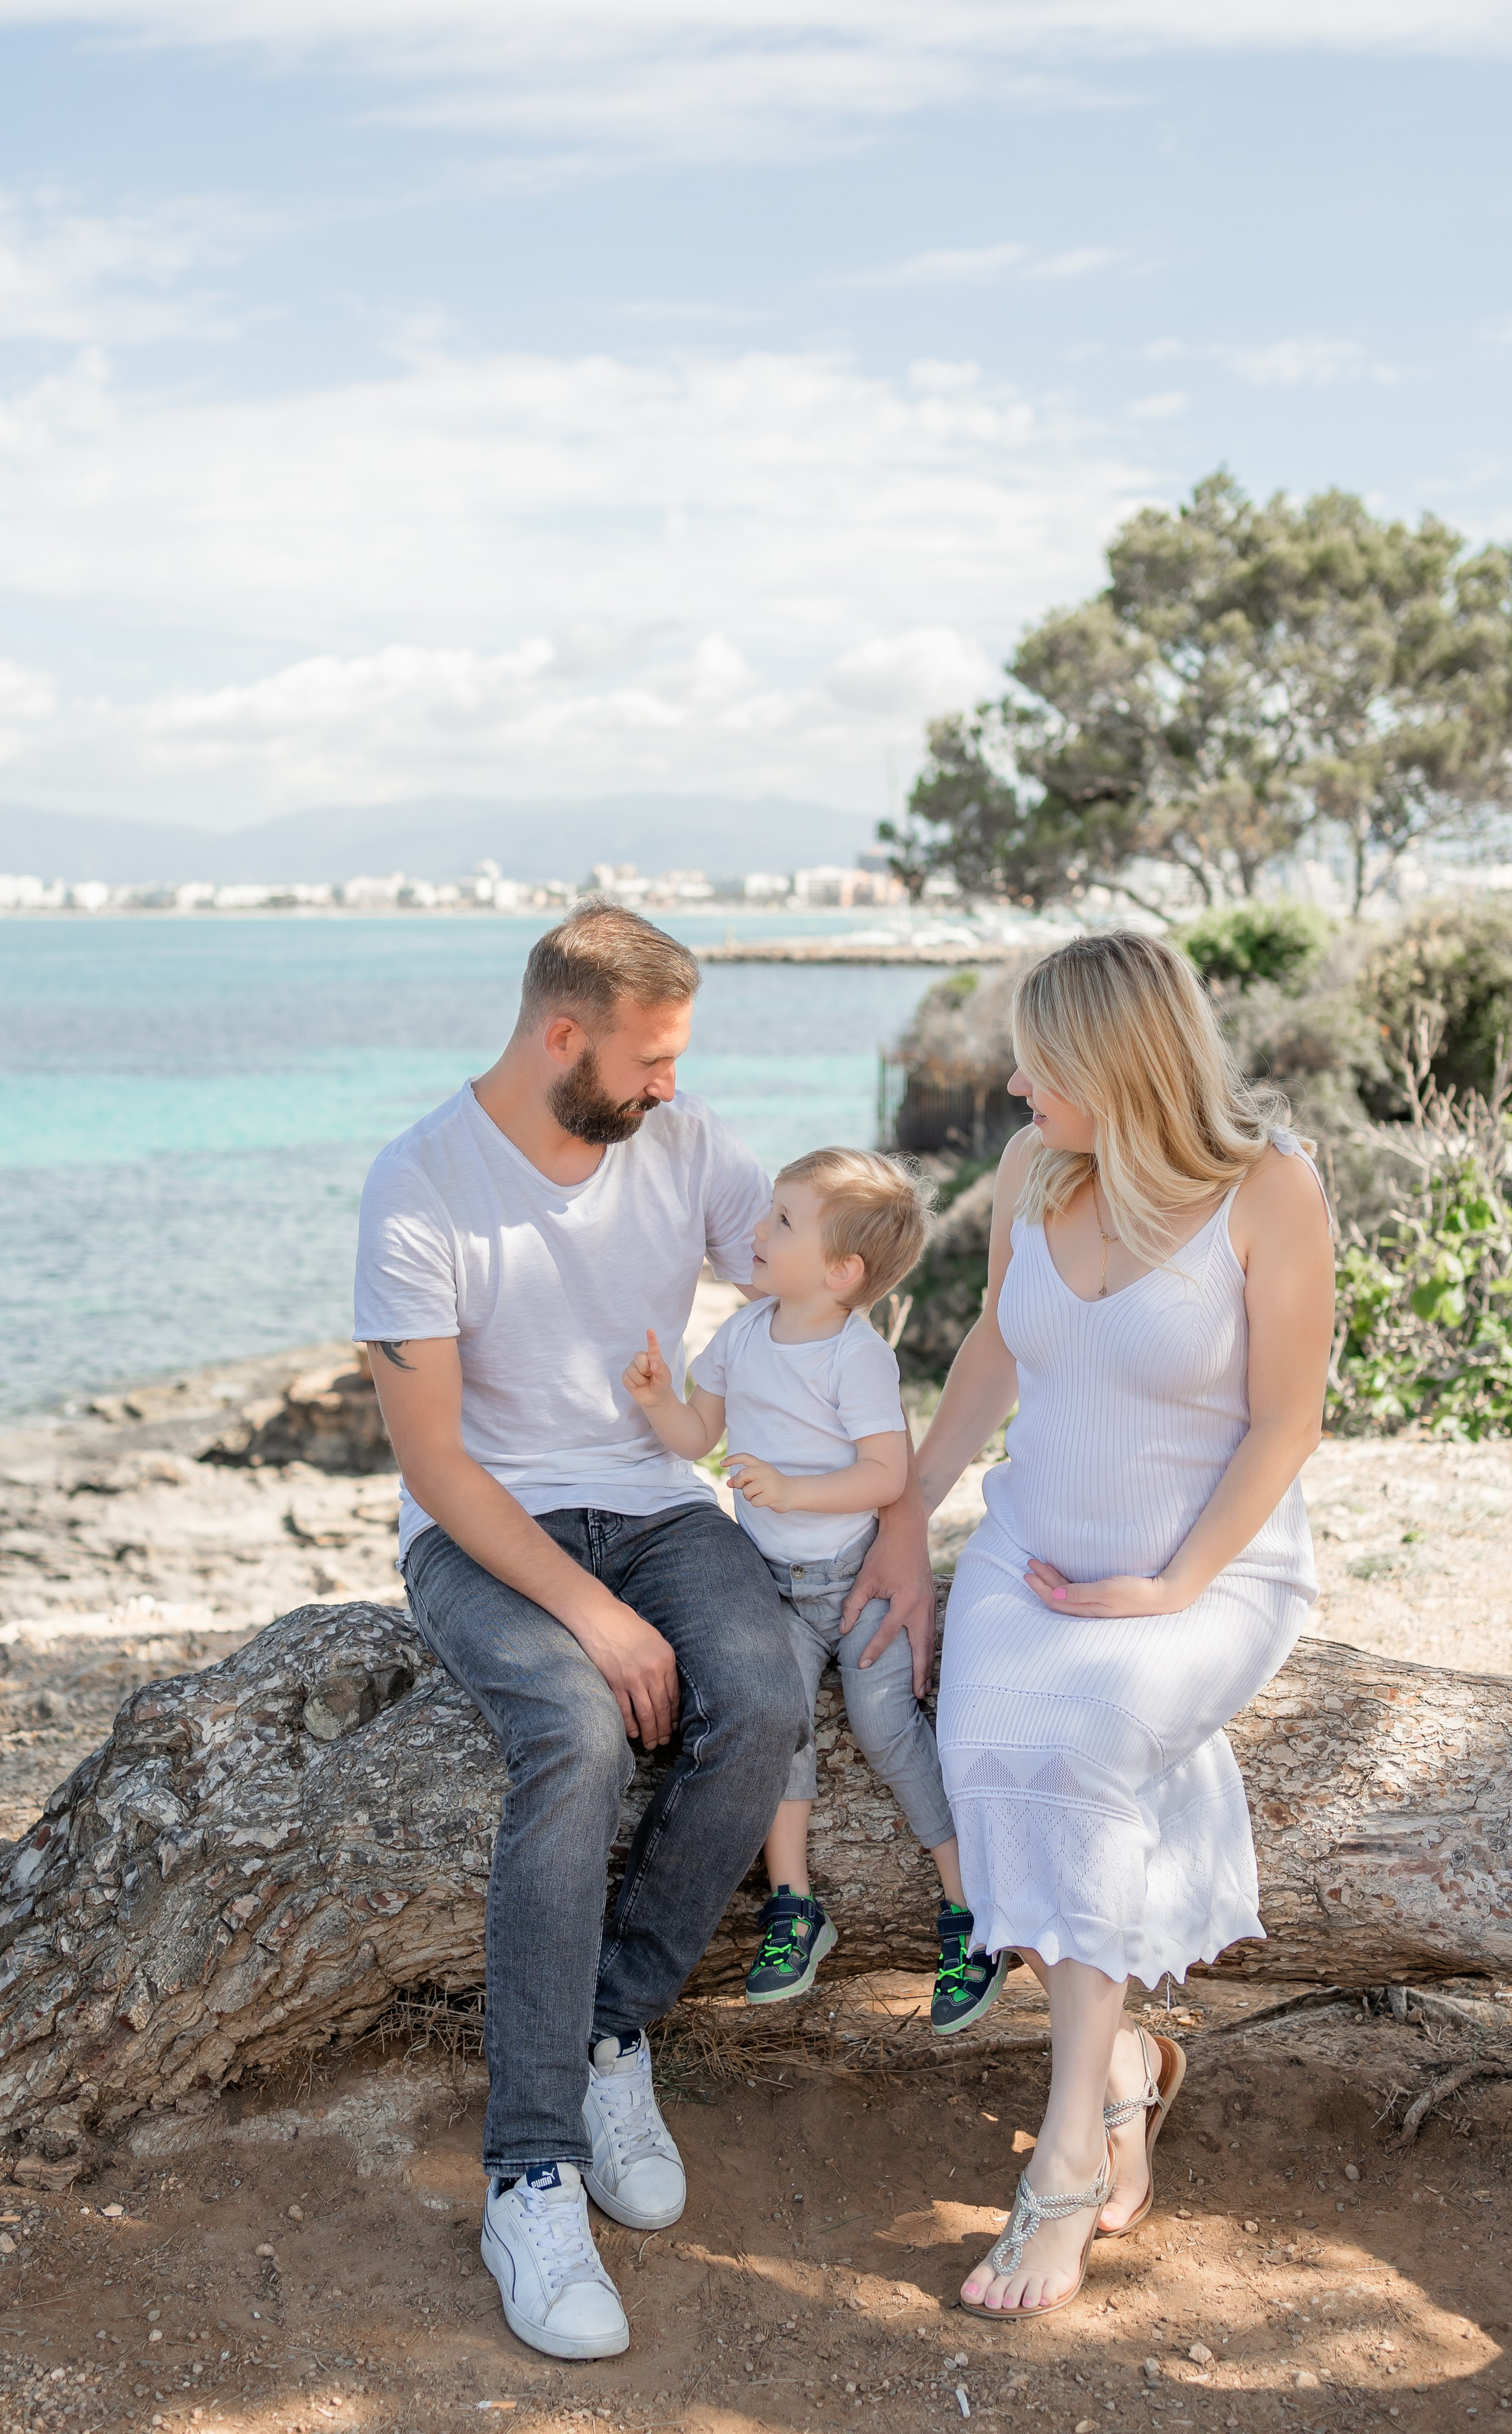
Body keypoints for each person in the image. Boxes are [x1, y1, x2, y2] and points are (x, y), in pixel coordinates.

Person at [356, 902, 824, 2363]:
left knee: (755, 1693)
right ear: (563, 1037)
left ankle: (614, 2026)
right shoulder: (419, 1185)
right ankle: (529, 2170)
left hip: (652, 1498)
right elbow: (436, 1466)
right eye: (650, 1059)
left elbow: (812, 1272)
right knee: (570, 1730)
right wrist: (597, 1618)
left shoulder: (677, 1145)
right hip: (483, 1531)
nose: (671, 1088)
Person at [911, 931, 1334, 2320]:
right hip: (1033, 1553)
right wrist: (904, 1520)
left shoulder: (1265, 1192)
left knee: (1086, 1747)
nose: (1016, 1083)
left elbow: (1286, 1422)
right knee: (980, 1754)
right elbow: (990, 1348)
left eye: (1040, 1061)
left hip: (1205, 1569)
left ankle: (1065, 2174)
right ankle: (1126, 2068)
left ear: (1116, 1063)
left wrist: (1170, 1588)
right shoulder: (1037, 1170)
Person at [623, 1147, 1008, 2036]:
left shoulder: (856, 1359)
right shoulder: (741, 1337)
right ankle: (795, 1908)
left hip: (855, 1576)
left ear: (842, 1272)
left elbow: (885, 1474)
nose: (756, 1233)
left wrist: (795, 1492)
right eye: (768, 1216)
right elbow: (697, 1434)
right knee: (780, 1725)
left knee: (884, 1725)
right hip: (769, 1584)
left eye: (782, 1224)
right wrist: (655, 1402)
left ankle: (969, 1911)